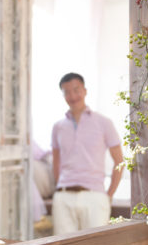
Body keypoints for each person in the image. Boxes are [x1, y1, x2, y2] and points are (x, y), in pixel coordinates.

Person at [51, 72, 123, 235]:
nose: (72, 96)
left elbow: (119, 161)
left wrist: (108, 196)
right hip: (63, 197)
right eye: (67, 92)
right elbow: (56, 161)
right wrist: (59, 187)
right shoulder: (58, 127)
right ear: (63, 96)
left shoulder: (104, 123)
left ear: (85, 90)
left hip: (95, 197)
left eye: (76, 90)